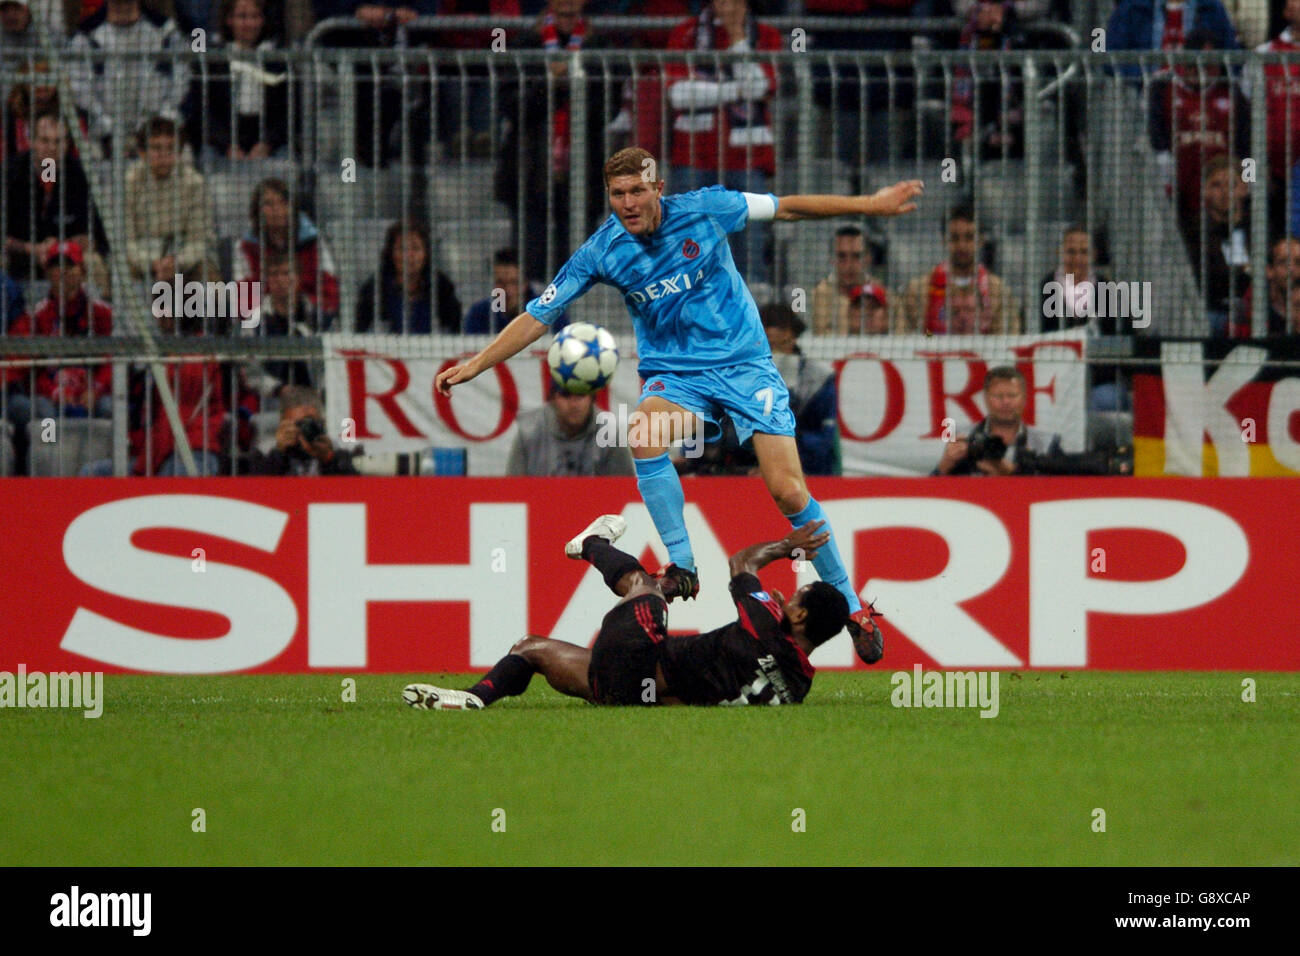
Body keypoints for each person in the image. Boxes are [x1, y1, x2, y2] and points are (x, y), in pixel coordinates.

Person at [434, 144, 924, 642]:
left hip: (746, 367)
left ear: (658, 188)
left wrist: (870, 204)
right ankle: (683, 564)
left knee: (789, 491)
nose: (627, 203)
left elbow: (788, 206)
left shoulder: (708, 208)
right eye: (618, 194)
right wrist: (476, 364)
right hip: (678, 378)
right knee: (644, 432)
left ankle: (854, 608)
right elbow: (539, 314)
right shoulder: (602, 250)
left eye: (637, 191)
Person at [402, 514, 883, 710]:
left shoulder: (762, 622)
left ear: (797, 618)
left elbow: (741, 562)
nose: (787, 599)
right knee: (531, 649)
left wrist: (787, 545)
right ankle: (472, 700)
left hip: (635, 662)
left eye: (795, 601)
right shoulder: (799, 687)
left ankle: (591, 544)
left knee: (648, 592)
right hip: (630, 697)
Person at [664, 0, 780, 284]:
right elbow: (678, 94)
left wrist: (738, 39)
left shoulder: (767, 36)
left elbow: (764, 87)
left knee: (749, 247)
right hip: (692, 155)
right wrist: (739, 91)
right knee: (688, 240)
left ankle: (752, 310)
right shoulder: (685, 34)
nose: (727, 5)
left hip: (748, 158)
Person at [3, 111, 108, 289]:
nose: (52, 147)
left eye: (58, 141)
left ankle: (100, 314)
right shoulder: (10, 173)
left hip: (69, 255)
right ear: (32, 141)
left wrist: (68, 245)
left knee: (95, 261)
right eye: (45, 140)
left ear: (67, 144)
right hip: (21, 255)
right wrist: (32, 249)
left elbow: (98, 235)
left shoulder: (80, 175)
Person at [69, 0, 185, 154]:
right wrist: (108, 128)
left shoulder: (165, 31)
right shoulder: (86, 35)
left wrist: (156, 124)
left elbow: (182, 80)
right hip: (102, 138)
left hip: (157, 136)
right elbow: (80, 88)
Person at [183, 0, 290, 162]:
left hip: (269, 138)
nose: (249, 23)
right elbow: (202, 111)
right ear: (229, 20)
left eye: (255, 16)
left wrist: (268, 143)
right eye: (242, 16)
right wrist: (227, 145)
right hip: (224, 138)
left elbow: (289, 112)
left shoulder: (279, 61)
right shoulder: (213, 60)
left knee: (286, 161)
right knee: (207, 158)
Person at [125, 116, 221, 292]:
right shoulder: (129, 183)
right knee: (122, 272)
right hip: (141, 260)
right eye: (156, 148)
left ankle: (212, 319)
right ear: (142, 152)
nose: (164, 155)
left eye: (171, 148)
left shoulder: (195, 183)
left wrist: (177, 262)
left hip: (183, 258)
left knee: (210, 278)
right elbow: (126, 241)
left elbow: (200, 240)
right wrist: (152, 263)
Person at [895, 204, 1020, 335]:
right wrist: (931, 342)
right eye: (954, 238)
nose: (962, 246)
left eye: (969, 237)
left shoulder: (997, 290)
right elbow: (904, 338)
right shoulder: (919, 289)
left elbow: (1007, 342)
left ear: (981, 241)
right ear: (944, 240)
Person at [932, 365, 1066, 476]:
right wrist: (945, 464)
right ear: (985, 398)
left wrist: (1013, 473)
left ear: (1025, 398)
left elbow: (1058, 493)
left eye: (1012, 395)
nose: (1006, 402)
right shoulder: (963, 437)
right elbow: (932, 494)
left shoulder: (1046, 443)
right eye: (998, 396)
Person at [235, 177, 340, 315]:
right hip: (263, 320)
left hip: (309, 316)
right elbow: (242, 301)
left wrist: (300, 302)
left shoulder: (314, 241)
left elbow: (330, 293)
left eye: (283, 202)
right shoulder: (246, 247)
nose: (277, 209)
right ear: (257, 211)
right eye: (268, 204)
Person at [760, 303, 837, 476]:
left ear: (793, 336)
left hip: (806, 471)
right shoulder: (741, 375)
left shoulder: (819, 377)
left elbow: (824, 439)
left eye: (777, 342)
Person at [1181, 155, 1249, 336]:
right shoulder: (1193, 231)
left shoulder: (1257, 228)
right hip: (1212, 312)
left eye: (1231, 184)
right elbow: (1206, 277)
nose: (1224, 192)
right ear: (1205, 191)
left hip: (1254, 312)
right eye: (1216, 185)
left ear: (1244, 188)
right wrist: (1247, 270)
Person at [354, 218, 460, 334]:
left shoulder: (442, 288)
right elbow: (361, 332)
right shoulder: (373, 290)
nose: (409, 255)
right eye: (402, 248)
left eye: (416, 248)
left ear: (426, 253)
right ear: (390, 253)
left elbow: (454, 330)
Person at [506, 383, 635, 477]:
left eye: (580, 395)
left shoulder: (609, 434)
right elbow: (513, 492)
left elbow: (622, 489)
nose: (574, 404)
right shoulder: (528, 433)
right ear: (553, 399)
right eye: (566, 395)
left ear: (592, 398)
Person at [248, 385, 358, 475]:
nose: (304, 430)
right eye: (298, 424)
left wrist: (328, 459)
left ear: (322, 422)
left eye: (311, 423)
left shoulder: (338, 449)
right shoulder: (265, 451)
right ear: (283, 424)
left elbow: (355, 487)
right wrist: (279, 453)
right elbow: (258, 487)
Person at [463, 248, 567, 335]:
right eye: (500, 282)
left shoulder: (550, 312)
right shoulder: (479, 314)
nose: (507, 290)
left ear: (526, 283)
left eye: (514, 282)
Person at [810, 226, 883, 336]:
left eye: (857, 256)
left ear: (869, 258)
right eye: (841, 256)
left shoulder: (884, 293)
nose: (849, 265)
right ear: (832, 259)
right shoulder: (814, 296)